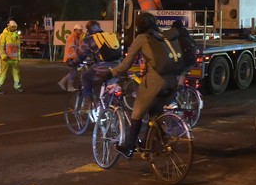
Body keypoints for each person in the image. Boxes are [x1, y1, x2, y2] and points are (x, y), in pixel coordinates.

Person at [102, 12, 183, 158]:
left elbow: (126, 64)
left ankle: (129, 147)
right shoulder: (162, 37)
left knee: (137, 113)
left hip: (155, 83)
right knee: (153, 112)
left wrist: (112, 72)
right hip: (172, 81)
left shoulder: (142, 38)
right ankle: (156, 141)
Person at [73, 21, 121, 108]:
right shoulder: (110, 36)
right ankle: (114, 106)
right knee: (110, 86)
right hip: (118, 66)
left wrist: (73, 63)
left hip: (103, 67)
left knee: (85, 76)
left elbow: (82, 55)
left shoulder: (89, 39)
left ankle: (88, 101)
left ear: (88, 30)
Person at [0, 20, 23, 94]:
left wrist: (18, 57)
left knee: (16, 72)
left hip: (14, 58)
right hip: (5, 59)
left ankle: (17, 86)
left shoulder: (16, 36)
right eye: (13, 27)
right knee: (2, 73)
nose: (14, 28)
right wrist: (3, 56)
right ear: (9, 27)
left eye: (15, 27)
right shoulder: (3, 35)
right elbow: (0, 47)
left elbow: (17, 48)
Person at [165, 20, 197, 86]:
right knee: (181, 74)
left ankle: (178, 90)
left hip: (181, 62)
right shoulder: (187, 35)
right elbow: (195, 45)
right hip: (191, 61)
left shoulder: (174, 36)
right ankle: (180, 89)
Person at [58, 24, 84, 92]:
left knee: (73, 71)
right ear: (75, 30)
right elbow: (71, 48)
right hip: (71, 57)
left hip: (72, 57)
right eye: (80, 30)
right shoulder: (72, 37)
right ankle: (68, 86)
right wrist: (76, 56)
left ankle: (62, 82)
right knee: (73, 72)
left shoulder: (76, 37)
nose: (81, 31)